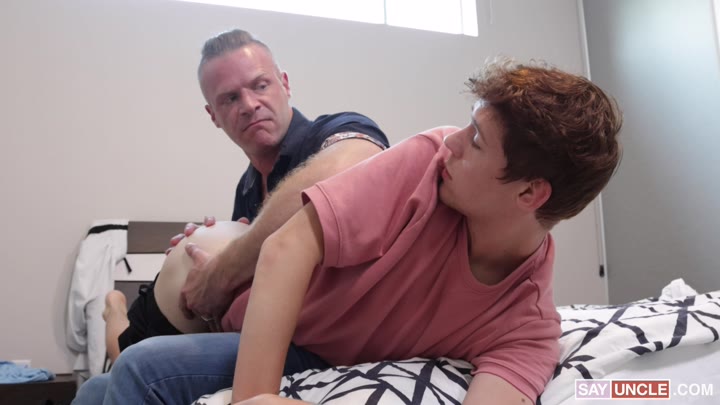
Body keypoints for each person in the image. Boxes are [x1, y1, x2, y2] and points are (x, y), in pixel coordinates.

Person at [78, 60, 621, 405]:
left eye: (476, 140)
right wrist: (254, 398)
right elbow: (288, 245)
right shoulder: (428, 162)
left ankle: (116, 319)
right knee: (113, 376)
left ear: (530, 194)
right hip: (234, 303)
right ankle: (115, 314)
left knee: (128, 373)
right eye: (228, 100)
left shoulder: (525, 328)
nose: (452, 142)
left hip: (306, 342)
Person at [97, 29, 388, 365]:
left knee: (133, 363)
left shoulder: (336, 130)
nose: (249, 105)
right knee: (119, 361)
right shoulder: (247, 188)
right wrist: (204, 248)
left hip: (334, 328)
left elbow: (357, 165)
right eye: (230, 99)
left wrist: (223, 266)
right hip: (280, 324)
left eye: (260, 86)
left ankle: (118, 309)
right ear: (214, 116)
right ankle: (115, 307)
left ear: (284, 84)